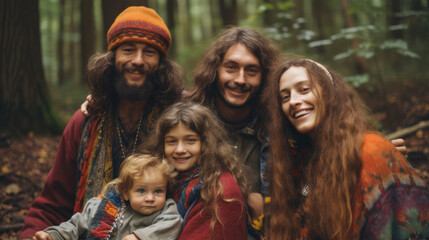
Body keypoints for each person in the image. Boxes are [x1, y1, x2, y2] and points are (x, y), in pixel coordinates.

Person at [19, 6, 183, 239]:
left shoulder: (177, 121)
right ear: (112, 57)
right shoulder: (86, 122)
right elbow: (53, 203)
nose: (138, 60)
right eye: (128, 49)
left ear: (161, 63)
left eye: (149, 52)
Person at [261, 58, 429, 239]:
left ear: (328, 93)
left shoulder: (369, 151)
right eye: (285, 97)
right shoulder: (296, 164)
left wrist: (381, 157)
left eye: (304, 90)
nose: (293, 101)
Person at [142, 101, 248, 239]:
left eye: (190, 140)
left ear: (206, 143)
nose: (180, 150)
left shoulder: (220, 190)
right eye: (171, 141)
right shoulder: (170, 178)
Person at [32, 154, 182, 240]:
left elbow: (172, 225)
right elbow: (75, 225)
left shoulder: (166, 210)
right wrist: (52, 235)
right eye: (141, 191)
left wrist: (139, 237)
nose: (150, 198)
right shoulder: (102, 207)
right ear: (125, 192)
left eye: (158, 191)